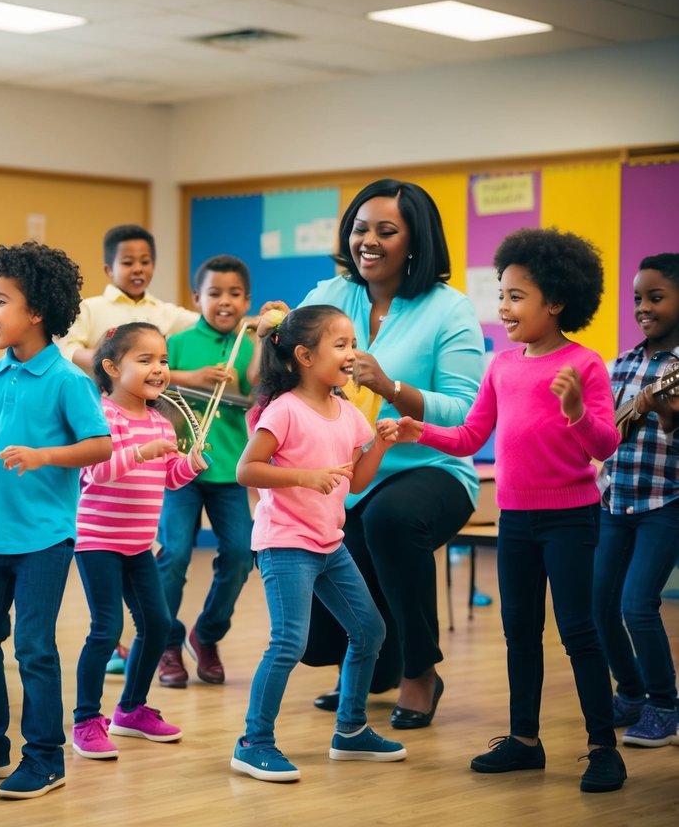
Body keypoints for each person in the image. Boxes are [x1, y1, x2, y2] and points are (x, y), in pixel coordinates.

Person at [399, 227, 626, 793]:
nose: (503, 308)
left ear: (556, 302)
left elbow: (604, 446)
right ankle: (525, 740)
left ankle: (604, 748)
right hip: (516, 521)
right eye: (501, 295)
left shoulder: (585, 365)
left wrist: (575, 408)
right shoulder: (501, 365)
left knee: (579, 633)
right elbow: (472, 433)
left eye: (516, 297)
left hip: (572, 518)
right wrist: (418, 430)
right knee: (518, 634)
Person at [283, 179, 483, 726]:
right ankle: (373, 666)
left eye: (386, 231)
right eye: (359, 228)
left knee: (388, 520)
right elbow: (286, 364)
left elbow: (466, 412)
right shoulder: (329, 294)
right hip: (349, 474)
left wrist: (394, 389)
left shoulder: (450, 309)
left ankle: (420, 672)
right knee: (313, 634)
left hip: (431, 470)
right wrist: (270, 334)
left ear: (415, 240)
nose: (367, 241)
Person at [0, 242, 110, 800]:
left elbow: (99, 445)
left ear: (36, 312)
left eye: (0, 301)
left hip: (44, 539)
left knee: (33, 645)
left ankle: (45, 756)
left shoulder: (67, 380)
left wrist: (42, 456)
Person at [231, 305, 406, 782]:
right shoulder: (283, 410)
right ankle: (253, 742)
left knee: (369, 632)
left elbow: (354, 481)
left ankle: (349, 730)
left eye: (353, 343)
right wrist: (305, 477)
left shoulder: (348, 413)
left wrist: (381, 446)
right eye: (341, 344)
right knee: (289, 642)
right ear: (305, 356)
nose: (353, 354)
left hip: (330, 543)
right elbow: (246, 469)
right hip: (285, 543)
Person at [71, 322, 206, 760]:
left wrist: (190, 465)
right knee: (106, 628)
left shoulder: (161, 423)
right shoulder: (101, 416)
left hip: (138, 544)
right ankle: (86, 719)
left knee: (158, 624)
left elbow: (167, 479)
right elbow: (95, 471)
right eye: (145, 360)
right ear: (111, 367)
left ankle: (131, 709)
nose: (159, 369)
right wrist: (138, 453)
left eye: (163, 360)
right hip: (98, 540)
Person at [592, 253, 679, 747]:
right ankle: (630, 693)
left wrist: (668, 418)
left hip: (665, 503)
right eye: (638, 299)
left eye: (656, 297)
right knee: (598, 603)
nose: (643, 308)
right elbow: (605, 433)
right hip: (614, 501)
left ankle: (665, 706)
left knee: (637, 605)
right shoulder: (622, 363)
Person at [156, 254, 254, 688]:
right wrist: (191, 376)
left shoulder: (252, 345)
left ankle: (207, 634)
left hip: (231, 470)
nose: (225, 301)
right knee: (173, 555)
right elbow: (150, 379)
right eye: (215, 293)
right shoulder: (176, 344)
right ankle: (166, 640)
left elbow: (261, 392)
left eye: (234, 294)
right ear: (197, 298)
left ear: (247, 300)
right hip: (179, 468)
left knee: (239, 554)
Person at [58, 224, 198, 375]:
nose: (138, 269)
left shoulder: (166, 311)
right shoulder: (89, 308)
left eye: (145, 262)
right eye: (128, 263)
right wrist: (111, 358)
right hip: (100, 396)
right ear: (109, 270)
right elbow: (67, 349)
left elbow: (204, 324)